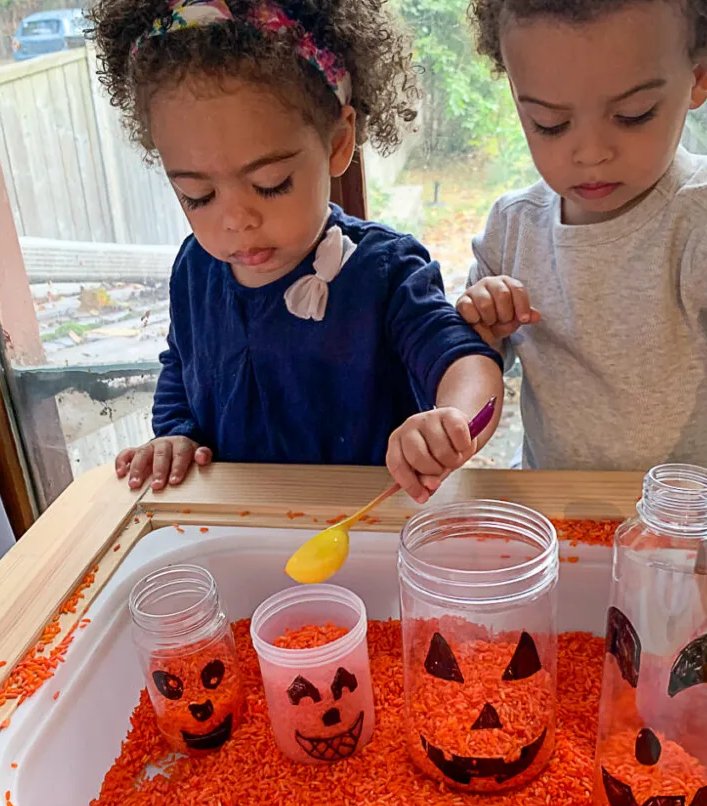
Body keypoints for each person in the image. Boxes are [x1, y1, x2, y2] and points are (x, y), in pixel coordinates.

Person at [456, 0, 707, 633]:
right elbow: (474, 374)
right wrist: (475, 344)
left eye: (633, 115)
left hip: (688, 543)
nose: (591, 153)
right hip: (562, 530)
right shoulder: (513, 227)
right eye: (549, 124)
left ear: (701, 77)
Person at [92, 0, 504, 504]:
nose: (235, 219)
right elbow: (181, 366)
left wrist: (450, 422)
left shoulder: (386, 272)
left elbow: (464, 360)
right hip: (240, 526)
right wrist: (176, 435)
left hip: (367, 530)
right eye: (197, 196)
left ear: (338, 142)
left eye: (270, 184)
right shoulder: (195, 269)